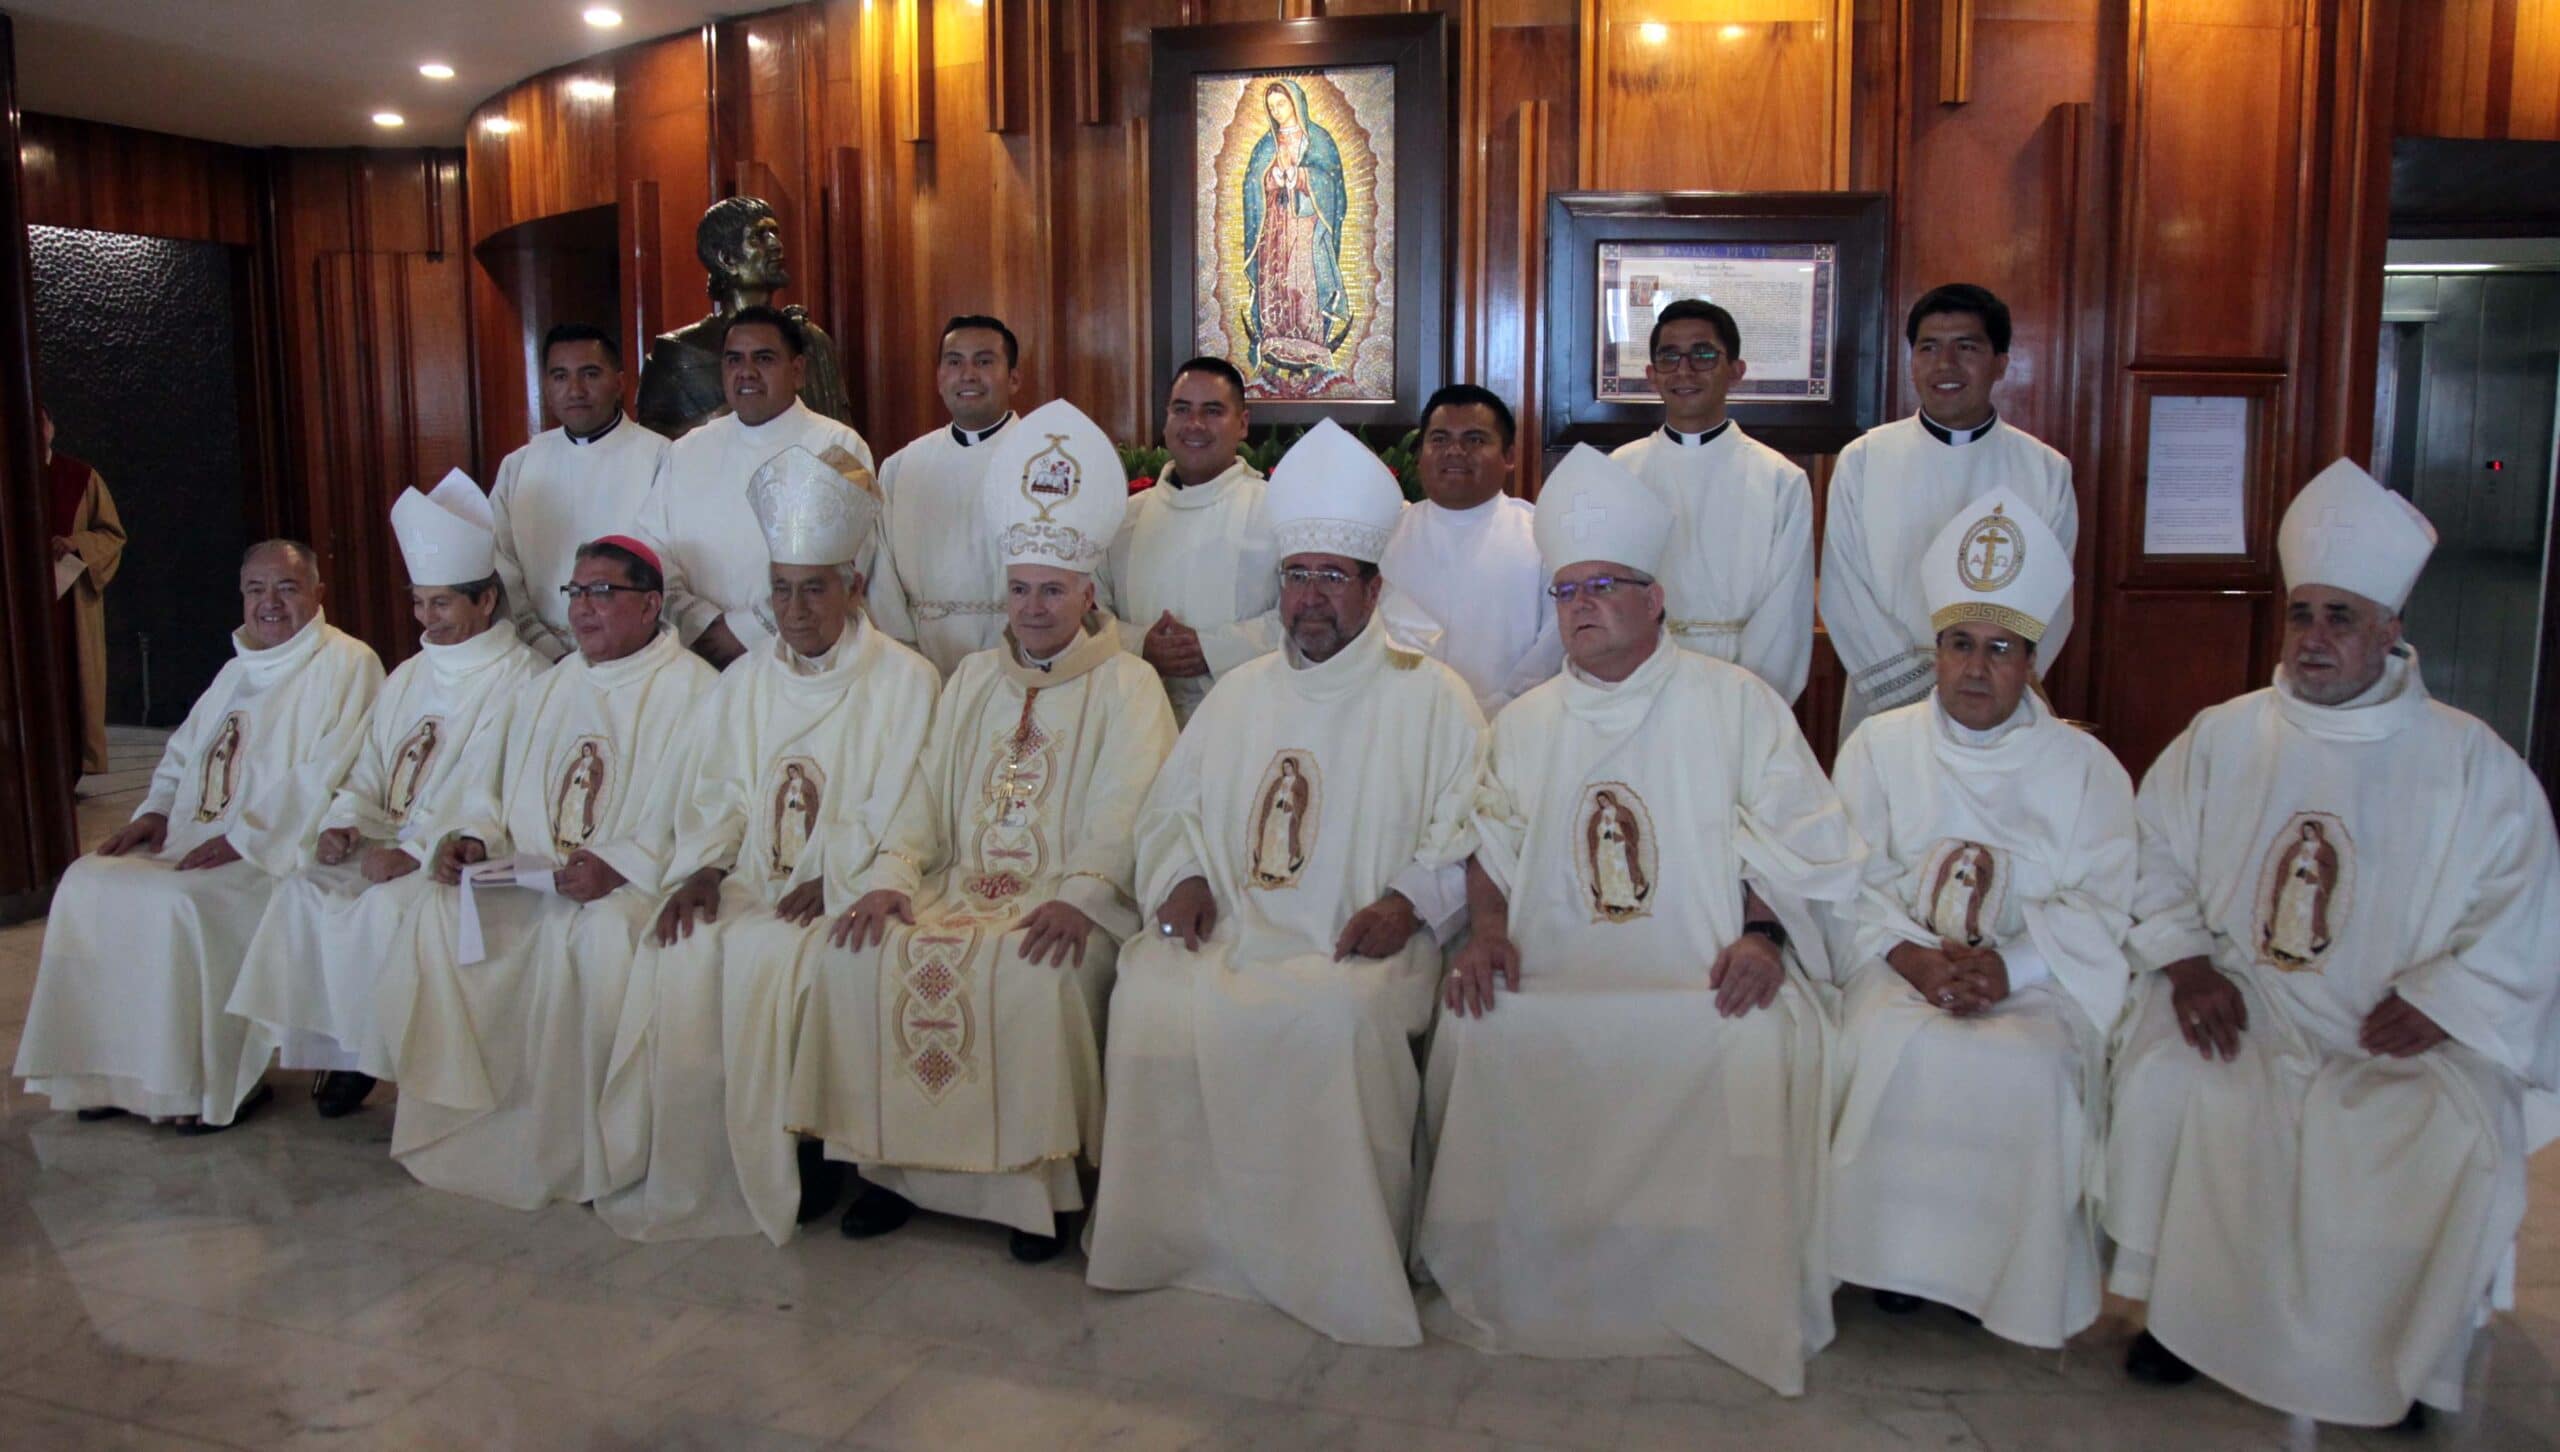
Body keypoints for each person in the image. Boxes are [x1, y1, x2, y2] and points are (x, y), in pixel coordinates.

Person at [2104, 460, 2560, 1429]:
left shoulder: (2471, 762)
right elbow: (2150, 854)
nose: (2314, 638)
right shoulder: (2222, 737)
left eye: (2340, 618)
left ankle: (2393, 1354)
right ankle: (2184, 1321)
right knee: (2180, 1079)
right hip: (2248, 1004)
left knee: (2439, 1130)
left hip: (2396, 1028)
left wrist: (2447, 999)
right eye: (2302, 615)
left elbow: (2523, 905)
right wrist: (2186, 963)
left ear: (2390, 630)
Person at [1418, 445, 1865, 1393]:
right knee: (1480, 1025)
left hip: (1705, 972)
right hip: (1552, 967)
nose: (1580, 606)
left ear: (1657, 599)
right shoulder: (1526, 722)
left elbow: (1796, 844)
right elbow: (1486, 842)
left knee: (1755, 1039)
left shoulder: (1735, 704)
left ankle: (1719, 1277)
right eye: (1566, 590)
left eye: (1604, 586)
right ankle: (1533, 1262)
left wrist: (1764, 938)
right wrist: (1488, 934)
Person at [1086, 418, 1486, 1345]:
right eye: (1296, 576)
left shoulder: (1431, 694)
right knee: (1148, 991)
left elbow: (1469, 822)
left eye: (1331, 577)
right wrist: (1184, 876)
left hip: (1361, 940)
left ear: (1374, 588)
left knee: (1335, 1015)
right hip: (1234, 928)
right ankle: (1179, 1245)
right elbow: (1173, 811)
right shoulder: (1243, 690)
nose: (1310, 598)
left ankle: (1336, 1262)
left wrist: (1410, 903)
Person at [795, 400, 1178, 1262]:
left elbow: (1130, 806)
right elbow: (924, 790)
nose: (1034, 608)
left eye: (1053, 591)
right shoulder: (971, 678)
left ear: (1088, 593)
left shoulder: (1128, 686)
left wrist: (1084, 897)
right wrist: (890, 878)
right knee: (856, 953)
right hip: (957, 885)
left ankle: (1037, 1194)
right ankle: (889, 1174)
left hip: (1062, 898)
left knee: (1037, 977)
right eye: (1021, 590)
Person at [594, 447, 937, 1244]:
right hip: (749, 878)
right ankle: (714, 1156)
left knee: (786, 957)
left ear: (854, 587)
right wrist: (703, 871)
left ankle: (808, 1152)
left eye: (814, 588)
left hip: (839, 886)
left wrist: (840, 877)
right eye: (781, 589)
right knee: (681, 946)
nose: (795, 609)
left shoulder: (906, 681)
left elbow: (910, 802)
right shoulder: (745, 681)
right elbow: (713, 792)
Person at [1824, 487, 2135, 1349]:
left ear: (2032, 660)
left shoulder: (2086, 767)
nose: (1974, 668)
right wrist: (1913, 959)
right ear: (1935, 651)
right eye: (1959, 643)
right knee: (1886, 1041)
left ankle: (1999, 1274)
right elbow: (1842, 878)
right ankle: (1889, 1261)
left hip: (2035, 980)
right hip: (1898, 969)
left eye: (2000, 649)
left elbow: (2103, 903)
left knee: (2029, 1065)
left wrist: (2012, 968)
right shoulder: (1878, 746)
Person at [377, 536, 714, 1208]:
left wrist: (620, 866)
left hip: (629, 888)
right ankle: (465, 1124)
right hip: (532, 875)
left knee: (601, 939)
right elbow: (486, 786)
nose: (583, 608)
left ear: (650, 605)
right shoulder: (549, 686)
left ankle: (590, 1152)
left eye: (602, 592)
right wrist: (470, 838)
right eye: (576, 592)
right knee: (440, 911)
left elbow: (704, 810)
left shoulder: (697, 692)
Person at [15, 541, 382, 1131]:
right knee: (86, 882)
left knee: (181, 904)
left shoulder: (349, 663)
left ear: (317, 593)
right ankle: (111, 1076)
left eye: (286, 588)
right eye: (255, 589)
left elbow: (332, 768)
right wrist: (155, 812)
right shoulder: (237, 669)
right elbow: (184, 750)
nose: (269, 602)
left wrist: (247, 839)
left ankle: (206, 1087)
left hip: (275, 852)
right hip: (193, 836)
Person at [227, 473, 545, 1120]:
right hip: (385, 837)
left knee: (382, 910)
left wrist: (416, 850)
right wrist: (345, 821)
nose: (428, 620)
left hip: (458, 853)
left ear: (486, 600)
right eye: (420, 603)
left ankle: (393, 1062)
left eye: (443, 604)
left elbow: (491, 783)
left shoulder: (525, 679)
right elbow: (369, 762)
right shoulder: (409, 673)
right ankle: (344, 1051)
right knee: (303, 889)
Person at [1820, 283, 2077, 743]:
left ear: (2001, 363)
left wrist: (1987, 685)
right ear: (1911, 362)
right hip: (1885, 701)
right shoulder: (1864, 460)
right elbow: (1845, 593)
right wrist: (1915, 695)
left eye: (1966, 347)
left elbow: (2052, 602)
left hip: (1994, 705)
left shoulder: (2044, 470)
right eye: (1929, 348)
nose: (1945, 364)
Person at [635, 306, 876, 670]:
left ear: (797, 371)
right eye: (734, 360)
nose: (746, 372)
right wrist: (702, 623)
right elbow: (652, 552)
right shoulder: (685, 450)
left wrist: (745, 630)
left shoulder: (842, 446)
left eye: (764, 358)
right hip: (698, 655)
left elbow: (851, 555)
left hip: (799, 656)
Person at [1605, 300, 1813, 701]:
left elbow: (1786, 612)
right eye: (1669, 357)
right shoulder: (1620, 470)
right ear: (1651, 374)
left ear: (1736, 371)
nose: (1684, 370)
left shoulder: (1779, 479)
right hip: (1638, 681)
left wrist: (1749, 702)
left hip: (1744, 685)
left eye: (1703, 355)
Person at [1106, 357, 1280, 723]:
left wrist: (1213, 650)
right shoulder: (1124, 518)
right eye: (1181, 409)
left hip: (1246, 719)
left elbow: (1304, 614)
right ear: (1166, 419)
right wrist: (1139, 644)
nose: (1194, 424)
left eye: (1212, 411)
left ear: (1243, 424)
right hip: (1138, 721)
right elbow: (1088, 612)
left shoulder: (1276, 511)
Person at [489, 324, 669, 663]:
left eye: (590, 374)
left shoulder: (661, 457)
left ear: (619, 383)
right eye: (560, 377)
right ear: (546, 386)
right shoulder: (520, 465)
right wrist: (542, 643)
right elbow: (501, 561)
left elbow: (669, 561)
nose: (575, 390)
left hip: (633, 654)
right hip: (537, 654)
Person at [1377, 384, 1561, 714]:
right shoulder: (1385, 536)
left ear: (1509, 456)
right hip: (1401, 720)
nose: (1455, 451)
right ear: (1420, 453)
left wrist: (1499, 713)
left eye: (1474, 439)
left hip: (1510, 723)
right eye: (1439, 439)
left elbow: (1553, 643)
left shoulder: (1542, 537)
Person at [865, 315, 1024, 673]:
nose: (968, 375)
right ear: (939, 378)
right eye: (954, 362)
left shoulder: (1041, 461)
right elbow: (882, 579)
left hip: (1015, 661)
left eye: (984, 361)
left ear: (1013, 378)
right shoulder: (902, 467)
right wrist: (910, 665)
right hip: (920, 665)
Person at [635, 195, 855, 438]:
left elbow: (839, 443)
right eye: (759, 236)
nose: (776, 245)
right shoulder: (676, 354)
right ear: (727, 260)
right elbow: (656, 449)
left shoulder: (810, 340)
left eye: (775, 233)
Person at [42, 407, 126, 776]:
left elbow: (112, 535)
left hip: (69, 600)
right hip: (17, 606)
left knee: (70, 682)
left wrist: (77, 543)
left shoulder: (80, 477)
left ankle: (70, 767)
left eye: (41, 422)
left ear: (52, 428)